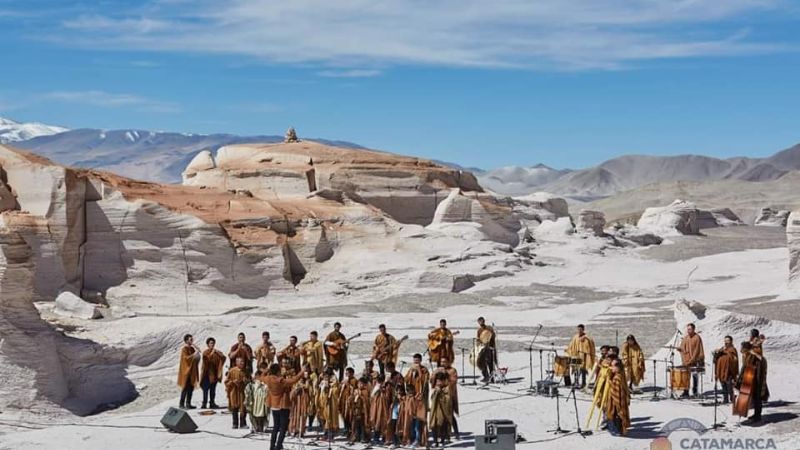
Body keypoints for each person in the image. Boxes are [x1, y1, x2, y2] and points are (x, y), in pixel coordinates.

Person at [265, 362, 305, 450]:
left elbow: (262, 376)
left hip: (274, 405)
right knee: (283, 427)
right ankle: (278, 445)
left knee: (275, 427)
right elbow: (292, 381)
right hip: (282, 405)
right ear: (277, 371)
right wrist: (301, 373)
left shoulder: (268, 379)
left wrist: (267, 369)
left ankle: (272, 446)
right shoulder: (280, 380)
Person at [737, 342, 766, 423]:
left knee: (757, 398)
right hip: (749, 379)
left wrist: (755, 354)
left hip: (756, 380)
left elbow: (763, 361)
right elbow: (744, 367)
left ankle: (758, 416)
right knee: (753, 398)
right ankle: (755, 414)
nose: (741, 349)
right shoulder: (746, 355)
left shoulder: (753, 355)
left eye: (742, 348)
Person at [405, 353, 430, 448]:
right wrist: (411, 372)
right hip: (412, 398)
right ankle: (411, 439)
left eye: (417, 360)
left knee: (419, 421)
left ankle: (419, 440)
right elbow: (406, 379)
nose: (416, 362)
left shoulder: (424, 370)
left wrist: (419, 371)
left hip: (420, 399)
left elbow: (425, 382)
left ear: (420, 360)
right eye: (414, 360)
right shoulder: (411, 369)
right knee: (411, 420)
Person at [433, 357, 460, 440]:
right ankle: (444, 434)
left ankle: (456, 432)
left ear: (448, 362)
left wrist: (445, 374)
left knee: (449, 415)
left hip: (449, 395)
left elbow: (453, 381)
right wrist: (435, 374)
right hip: (439, 395)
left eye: (444, 362)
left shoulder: (452, 370)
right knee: (440, 415)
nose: (443, 363)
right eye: (441, 361)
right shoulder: (438, 370)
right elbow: (432, 381)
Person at [604, 359, 631, 436]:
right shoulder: (620, 375)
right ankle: (617, 430)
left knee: (614, 414)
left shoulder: (617, 377)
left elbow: (616, 390)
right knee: (615, 414)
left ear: (618, 367)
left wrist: (609, 381)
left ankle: (616, 431)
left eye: (613, 366)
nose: (611, 368)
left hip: (616, 400)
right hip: (617, 400)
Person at [678, 323, 705, 398]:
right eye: (688, 329)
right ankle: (686, 391)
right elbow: (682, 347)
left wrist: (692, 360)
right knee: (686, 376)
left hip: (695, 361)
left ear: (693, 329)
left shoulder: (697, 338)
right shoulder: (686, 338)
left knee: (695, 376)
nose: (688, 331)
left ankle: (695, 391)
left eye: (690, 329)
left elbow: (697, 350)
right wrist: (680, 349)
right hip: (686, 361)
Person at [566, 324, 596, 389]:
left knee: (583, 370)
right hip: (576, 355)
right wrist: (568, 349)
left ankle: (583, 382)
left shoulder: (587, 337)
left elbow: (590, 346)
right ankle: (576, 381)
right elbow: (571, 345)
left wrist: (585, 340)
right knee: (576, 369)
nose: (579, 331)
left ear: (583, 330)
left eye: (580, 329)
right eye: (578, 329)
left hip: (584, 357)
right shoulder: (575, 337)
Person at [200, 337, 226, 409]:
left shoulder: (216, 352)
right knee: (205, 390)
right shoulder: (205, 352)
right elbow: (206, 360)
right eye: (211, 343)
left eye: (213, 343)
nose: (212, 344)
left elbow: (223, 358)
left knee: (213, 390)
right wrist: (211, 353)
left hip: (214, 374)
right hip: (207, 374)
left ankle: (212, 403)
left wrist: (218, 353)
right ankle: (204, 403)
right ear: (208, 344)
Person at [225, 357, 251, 429]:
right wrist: (233, 382)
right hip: (234, 391)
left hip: (242, 392)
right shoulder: (232, 371)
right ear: (236, 363)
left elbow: (250, 381)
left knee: (243, 408)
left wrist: (245, 380)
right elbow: (226, 381)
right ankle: (235, 423)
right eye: (240, 362)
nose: (242, 363)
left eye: (243, 362)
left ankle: (243, 423)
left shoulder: (246, 370)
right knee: (234, 407)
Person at [429, 371, 453, 447]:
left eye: (440, 381)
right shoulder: (435, 389)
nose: (438, 383)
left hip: (443, 410)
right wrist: (436, 392)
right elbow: (432, 398)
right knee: (433, 425)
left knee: (442, 425)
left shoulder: (447, 389)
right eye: (437, 381)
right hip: (435, 410)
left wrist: (441, 394)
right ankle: (435, 441)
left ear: (443, 381)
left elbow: (448, 399)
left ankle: (442, 440)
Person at [177, 334, 201, 409]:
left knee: (191, 388)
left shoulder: (192, 349)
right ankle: (181, 404)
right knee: (185, 388)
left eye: (192, 339)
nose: (192, 341)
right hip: (186, 371)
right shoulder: (184, 349)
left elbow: (195, 358)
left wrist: (196, 355)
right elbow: (185, 359)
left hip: (192, 371)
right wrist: (193, 355)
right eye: (190, 339)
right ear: (186, 341)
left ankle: (188, 403)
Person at [319, 368, 341, 444]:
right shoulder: (323, 381)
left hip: (331, 403)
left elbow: (336, 390)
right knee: (325, 417)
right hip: (324, 403)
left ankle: (330, 435)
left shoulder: (334, 380)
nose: (325, 377)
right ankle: (325, 434)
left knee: (330, 418)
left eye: (326, 375)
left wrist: (329, 388)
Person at [714, 336, 739, 404]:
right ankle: (725, 399)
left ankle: (732, 398)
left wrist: (726, 352)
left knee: (729, 385)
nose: (726, 342)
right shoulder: (722, 348)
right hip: (721, 369)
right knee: (723, 385)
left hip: (729, 370)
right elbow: (716, 358)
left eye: (728, 340)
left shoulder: (733, 349)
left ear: (731, 341)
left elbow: (734, 359)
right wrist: (717, 353)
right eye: (725, 340)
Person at [245, 363, 269, 432]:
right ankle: (255, 427)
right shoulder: (252, 384)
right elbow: (248, 390)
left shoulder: (264, 384)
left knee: (261, 415)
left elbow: (266, 390)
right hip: (255, 401)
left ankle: (261, 427)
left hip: (261, 402)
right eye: (257, 376)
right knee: (254, 414)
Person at [347, 377, 370, 444]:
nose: (360, 385)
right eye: (359, 383)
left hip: (362, 411)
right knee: (355, 425)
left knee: (363, 425)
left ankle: (363, 437)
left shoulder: (365, 391)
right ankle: (356, 436)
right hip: (355, 410)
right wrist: (352, 397)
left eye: (362, 384)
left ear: (364, 385)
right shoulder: (355, 390)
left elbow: (367, 401)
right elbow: (351, 399)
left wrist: (361, 396)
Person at [475, 317, 497, 383]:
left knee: (490, 363)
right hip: (483, 348)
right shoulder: (479, 330)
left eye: (481, 321)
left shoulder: (489, 328)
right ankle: (486, 376)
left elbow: (493, 335)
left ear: (484, 321)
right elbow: (479, 339)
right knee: (481, 363)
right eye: (479, 322)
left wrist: (490, 337)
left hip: (490, 348)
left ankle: (492, 378)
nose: (481, 323)